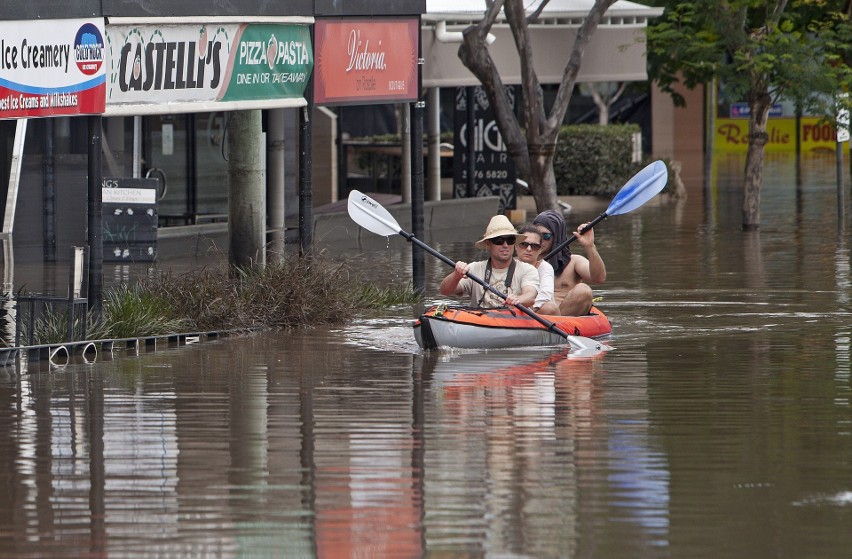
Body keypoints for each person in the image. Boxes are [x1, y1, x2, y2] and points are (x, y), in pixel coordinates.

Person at [440, 215, 539, 308]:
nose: (505, 245)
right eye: (499, 240)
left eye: (510, 240)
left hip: (513, 321)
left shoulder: (527, 269)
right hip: (480, 321)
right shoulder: (474, 268)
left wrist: (518, 299)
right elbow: (445, 291)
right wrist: (456, 275)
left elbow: (530, 296)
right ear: (488, 244)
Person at [533, 209, 606, 316]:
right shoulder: (524, 262)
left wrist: (589, 246)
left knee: (584, 290)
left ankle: (554, 322)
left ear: (557, 236)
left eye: (546, 236)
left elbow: (599, 278)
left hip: (563, 319)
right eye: (537, 235)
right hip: (534, 314)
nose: (541, 240)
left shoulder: (574, 262)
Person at [514, 224, 560, 315]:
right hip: (511, 310)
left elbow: (545, 296)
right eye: (524, 244)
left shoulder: (545, 268)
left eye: (534, 246)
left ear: (540, 250)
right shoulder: (508, 264)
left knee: (549, 307)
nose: (529, 249)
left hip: (537, 312)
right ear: (516, 246)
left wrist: (525, 308)